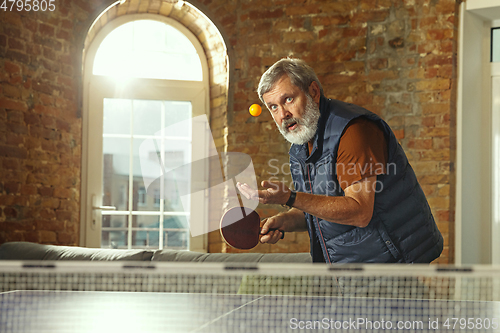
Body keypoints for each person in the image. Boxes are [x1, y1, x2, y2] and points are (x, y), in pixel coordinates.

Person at [237, 58, 443, 263]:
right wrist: (285, 221)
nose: (283, 114)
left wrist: (289, 197)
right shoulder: (301, 146)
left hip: (394, 266)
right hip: (351, 271)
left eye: (288, 99)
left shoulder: (353, 132)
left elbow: (359, 212)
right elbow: (321, 207)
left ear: (314, 92)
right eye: (273, 107)